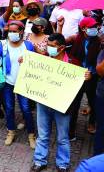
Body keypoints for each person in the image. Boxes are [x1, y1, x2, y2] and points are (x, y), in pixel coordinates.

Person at [0, 20, 36, 148]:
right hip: (8, 82)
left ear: (21, 32)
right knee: (9, 108)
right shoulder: (3, 45)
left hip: (23, 82)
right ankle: (11, 131)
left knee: (26, 109)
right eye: (10, 32)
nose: (12, 34)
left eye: (15, 31)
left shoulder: (28, 46)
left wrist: (28, 60)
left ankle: (31, 135)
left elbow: (36, 64)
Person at [31, 33, 73, 172]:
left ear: (61, 48)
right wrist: (25, 61)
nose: (48, 48)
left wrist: (87, 76)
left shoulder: (72, 63)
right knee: (42, 135)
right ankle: (39, 160)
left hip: (62, 106)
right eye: (47, 45)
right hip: (43, 103)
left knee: (62, 137)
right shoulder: (43, 61)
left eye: (52, 46)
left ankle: (63, 164)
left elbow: (78, 85)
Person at [65, 17, 102, 138]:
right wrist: (59, 27)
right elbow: (60, 44)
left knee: (94, 102)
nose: (94, 29)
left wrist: (93, 73)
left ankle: (92, 122)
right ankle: (71, 131)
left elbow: (101, 61)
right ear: (83, 29)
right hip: (77, 76)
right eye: (91, 27)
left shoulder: (100, 41)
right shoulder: (75, 39)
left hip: (92, 77)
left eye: (95, 27)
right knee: (74, 104)